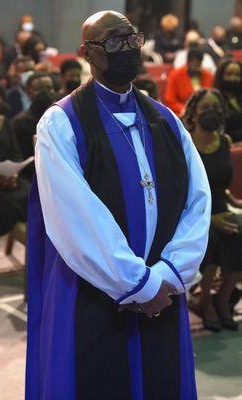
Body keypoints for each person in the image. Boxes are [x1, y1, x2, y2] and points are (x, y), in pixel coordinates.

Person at [26, 11, 211, 399]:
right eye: (113, 42)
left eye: (132, 40)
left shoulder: (166, 121)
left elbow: (199, 200)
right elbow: (74, 219)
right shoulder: (61, 124)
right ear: (86, 53)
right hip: (96, 293)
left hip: (163, 290)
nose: (127, 50)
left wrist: (172, 272)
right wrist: (139, 284)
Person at [182, 88, 242, 332]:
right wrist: (209, 219)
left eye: (216, 108)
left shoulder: (225, 141)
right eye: (206, 108)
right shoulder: (184, 142)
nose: (212, 113)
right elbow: (180, 190)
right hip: (191, 211)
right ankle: (206, 300)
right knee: (214, 238)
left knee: (238, 231)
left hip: (219, 205)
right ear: (194, 113)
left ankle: (223, 298)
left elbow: (220, 183)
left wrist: (235, 202)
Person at [0, 79, 29, 235]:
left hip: (8, 177)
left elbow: (16, 153)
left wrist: (14, 172)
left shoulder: (4, 121)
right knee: (7, 205)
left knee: (34, 193)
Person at [12, 72, 55, 181]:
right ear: (28, 92)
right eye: (40, 89)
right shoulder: (20, 122)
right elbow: (22, 159)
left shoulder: (61, 117)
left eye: (49, 88)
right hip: (33, 176)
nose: (46, 92)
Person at [164, 48, 213, 116]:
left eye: (199, 66)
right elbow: (170, 101)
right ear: (188, 62)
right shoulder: (175, 75)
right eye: (195, 65)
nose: (197, 69)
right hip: (183, 113)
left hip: (204, 113)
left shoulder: (208, 75)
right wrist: (187, 109)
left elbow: (211, 97)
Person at [214, 59, 242, 142]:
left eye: (237, 75)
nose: (233, 79)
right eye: (229, 74)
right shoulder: (215, 99)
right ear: (221, 76)